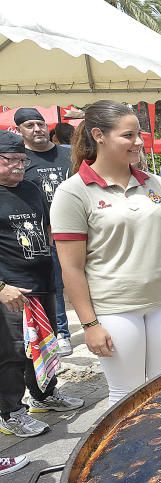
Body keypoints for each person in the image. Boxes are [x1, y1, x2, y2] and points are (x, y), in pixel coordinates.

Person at [51, 101, 161, 407]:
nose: (139, 142)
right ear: (99, 135)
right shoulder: (73, 192)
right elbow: (71, 268)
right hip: (116, 310)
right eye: (128, 136)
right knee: (128, 397)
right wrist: (89, 325)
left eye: (139, 134)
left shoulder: (157, 185)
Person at [0, 132, 84, 445]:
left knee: (43, 345)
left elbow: (47, 229)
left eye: (21, 160)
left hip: (43, 281)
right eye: (9, 160)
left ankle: (44, 396)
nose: (18, 166)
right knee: (13, 353)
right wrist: (2, 287)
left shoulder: (31, 189)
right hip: (11, 290)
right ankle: (10, 412)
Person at [15, 107, 74, 356]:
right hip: (44, 234)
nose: (37, 129)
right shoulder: (20, 159)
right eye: (29, 125)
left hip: (78, 229)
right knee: (56, 284)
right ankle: (62, 333)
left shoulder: (68, 154)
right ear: (19, 131)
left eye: (40, 123)